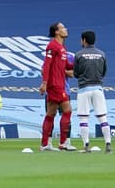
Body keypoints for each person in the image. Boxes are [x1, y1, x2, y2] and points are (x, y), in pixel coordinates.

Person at [72, 30, 112, 154]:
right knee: (102, 117)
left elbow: (76, 73)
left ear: (84, 40)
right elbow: (104, 72)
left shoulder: (78, 54)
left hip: (84, 88)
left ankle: (86, 145)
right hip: (98, 88)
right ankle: (108, 144)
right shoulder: (102, 54)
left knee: (84, 118)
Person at [40, 21, 75, 151]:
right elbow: (47, 65)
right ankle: (63, 142)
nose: (66, 29)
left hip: (59, 84)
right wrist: (44, 83)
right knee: (67, 110)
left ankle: (45, 144)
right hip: (55, 85)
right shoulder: (52, 46)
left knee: (51, 114)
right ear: (56, 32)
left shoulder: (62, 48)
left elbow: (67, 66)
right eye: (62, 28)